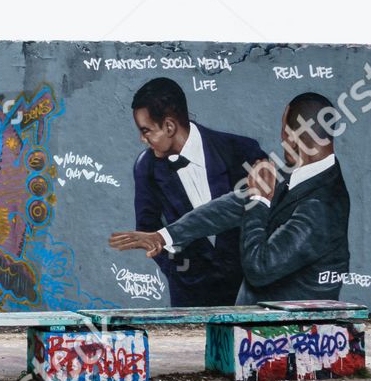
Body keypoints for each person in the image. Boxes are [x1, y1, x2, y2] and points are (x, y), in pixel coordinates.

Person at [110, 92, 350, 304]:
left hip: (287, 338)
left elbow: (260, 267)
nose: (281, 139)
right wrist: (163, 236)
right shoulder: (301, 176)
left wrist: (259, 200)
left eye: (284, 131)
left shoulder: (321, 207)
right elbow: (232, 206)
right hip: (258, 330)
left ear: (295, 136)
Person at [125, 77, 266, 306]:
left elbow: (267, 210)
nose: (143, 139)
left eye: (146, 131)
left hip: (245, 294)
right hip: (190, 297)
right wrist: (180, 269)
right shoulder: (146, 167)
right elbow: (147, 227)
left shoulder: (242, 151)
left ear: (169, 126)